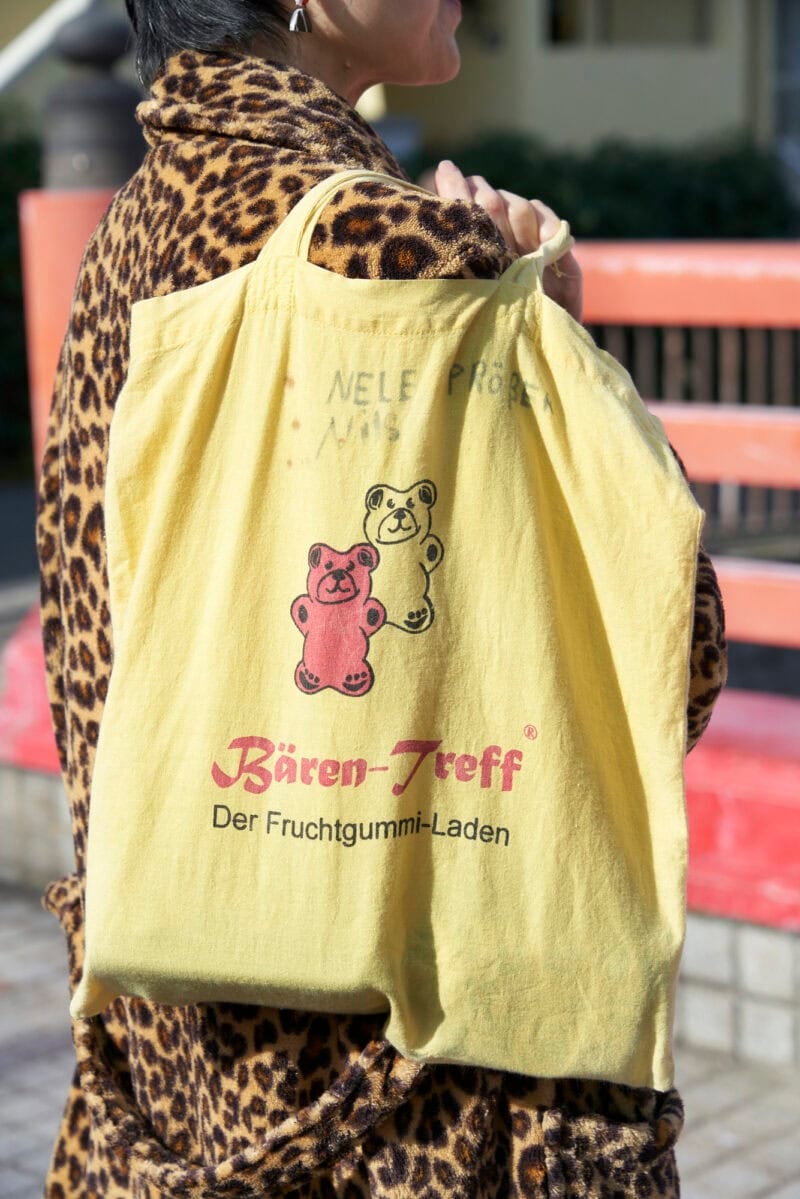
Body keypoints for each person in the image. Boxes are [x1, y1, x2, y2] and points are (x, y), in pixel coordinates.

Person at [36, 2, 728, 1196]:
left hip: (174, 1044)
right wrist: (550, 326)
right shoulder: (401, 250)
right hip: (410, 1092)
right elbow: (664, 660)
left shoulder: (133, 221)